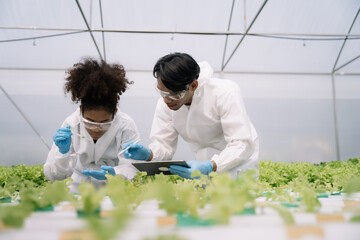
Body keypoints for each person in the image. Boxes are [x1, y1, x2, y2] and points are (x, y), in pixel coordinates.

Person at [122, 52, 259, 179]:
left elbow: (241, 143)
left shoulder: (224, 92)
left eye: (174, 94)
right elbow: (163, 146)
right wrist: (148, 154)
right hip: (205, 158)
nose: (166, 100)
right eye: (162, 93)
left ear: (193, 85)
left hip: (238, 159)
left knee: (237, 198)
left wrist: (211, 166)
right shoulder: (165, 105)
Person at [44, 57, 140, 192]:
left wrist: (116, 173)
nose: (96, 128)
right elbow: (54, 175)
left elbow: (134, 170)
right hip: (77, 191)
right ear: (81, 111)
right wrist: (62, 153)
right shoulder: (71, 123)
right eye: (90, 122)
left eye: (104, 123)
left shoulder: (125, 125)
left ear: (114, 114)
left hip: (114, 192)